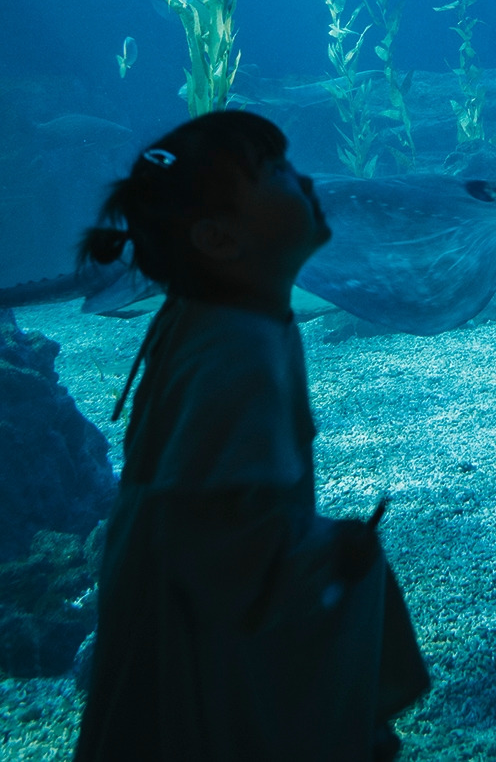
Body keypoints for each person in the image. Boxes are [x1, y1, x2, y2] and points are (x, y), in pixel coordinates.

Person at [73, 110, 429, 762]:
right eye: (278, 173)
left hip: (157, 585)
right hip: (203, 625)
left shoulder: (207, 311)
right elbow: (219, 541)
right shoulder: (240, 349)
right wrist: (335, 557)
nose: (307, 179)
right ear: (218, 238)